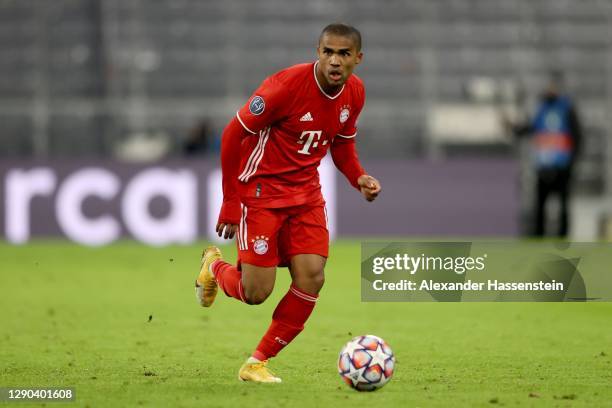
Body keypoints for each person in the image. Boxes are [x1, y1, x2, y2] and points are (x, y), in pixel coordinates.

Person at [194, 23, 381, 383]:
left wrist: (357, 176)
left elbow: (341, 144)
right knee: (255, 292)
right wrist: (231, 201)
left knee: (312, 277)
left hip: (306, 195)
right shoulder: (284, 87)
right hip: (262, 192)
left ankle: (257, 361)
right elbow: (233, 134)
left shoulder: (354, 93)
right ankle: (213, 266)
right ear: (318, 51)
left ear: (358, 58)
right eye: (328, 51)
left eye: (344, 54)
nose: (335, 61)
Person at [504, 71, 582, 237]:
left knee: (562, 205)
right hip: (543, 165)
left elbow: (577, 136)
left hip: (562, 166)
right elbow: (531, 128)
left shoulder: (567, 108)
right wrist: (514, 128)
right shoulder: (542, 108)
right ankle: (539, 239)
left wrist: (572, 161)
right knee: (540, 205)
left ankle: (563, 239)